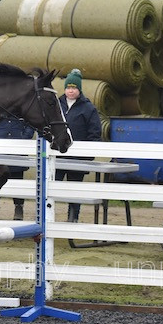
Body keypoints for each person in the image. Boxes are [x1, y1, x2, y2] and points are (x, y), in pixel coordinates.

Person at [56, 69, 101, 222]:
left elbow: (95, 133)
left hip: (77, 158)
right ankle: (46, 217)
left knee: (75, 189)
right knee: (51, 187)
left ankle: (73, 217)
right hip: (57, 156)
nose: (70, 91)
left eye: (74, 88)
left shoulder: (89, 108)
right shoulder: (56, 105)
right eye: (68, 87)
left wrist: (87, 156)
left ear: (79, 89)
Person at [0, 117, 35, 221]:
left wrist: (24, 137)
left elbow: (31, 123)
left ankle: (18, 208)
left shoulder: (22, 106)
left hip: (18, 148)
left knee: (17, 181)